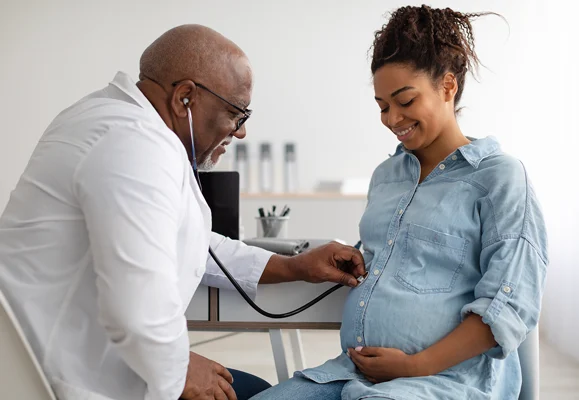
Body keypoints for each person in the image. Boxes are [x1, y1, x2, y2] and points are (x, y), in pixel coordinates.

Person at [0, 25, 366, 400]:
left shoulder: (116, 122)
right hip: (64, 378)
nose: (239, 133)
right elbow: (138, 304)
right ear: (185, 98)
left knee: (252, 389)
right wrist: (180, 368)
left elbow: (191, 243)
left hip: (72, 356)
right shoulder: (134, 145)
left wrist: (295, 266)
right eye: (236, 113)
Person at [251, 5, 548, 400]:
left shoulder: (500, 179)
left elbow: (508, 306)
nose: (392, 119)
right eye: (381, 106)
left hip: (448, 384)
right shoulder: (386, 176)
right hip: (350, 375)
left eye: (405, 101)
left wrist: (414, 366)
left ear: (447, 87)